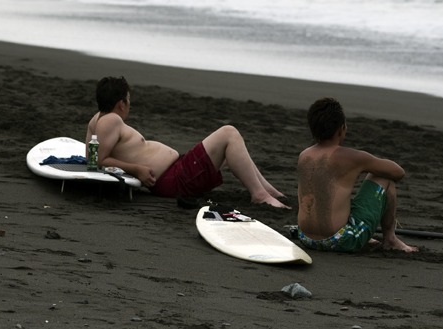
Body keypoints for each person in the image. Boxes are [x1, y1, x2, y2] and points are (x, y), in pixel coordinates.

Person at [85, 76, 288, 207]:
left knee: (233, 148)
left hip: (177, 171)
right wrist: (136, 169)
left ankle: (266, 190)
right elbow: (101, 160)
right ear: (121, 104)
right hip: (175, 179)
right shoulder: (111, 120)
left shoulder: (98, 119)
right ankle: (259, 194)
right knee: (229, 133)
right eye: (128, 100)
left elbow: (91, 156)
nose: (130, 104)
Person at [295, 97, 417, 253]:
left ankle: (358, 229)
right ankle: (390, 238)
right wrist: (366, 164)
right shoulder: (353, 157)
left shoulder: (304, 156)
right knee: (384, 178)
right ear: (341, 129)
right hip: (339, 240)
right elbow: (398, 172)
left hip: (305, 238)